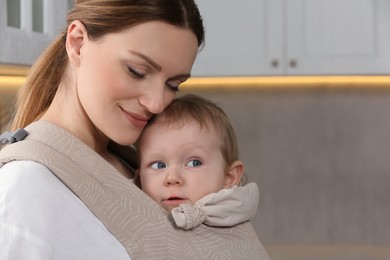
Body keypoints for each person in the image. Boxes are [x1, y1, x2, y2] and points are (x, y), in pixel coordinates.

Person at [0, 0, 269, 259]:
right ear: (78, 43)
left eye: (173, 85)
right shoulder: (27, 186)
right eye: (137, 71)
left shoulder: (132, 164)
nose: (156, 103)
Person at [136, 94, 260, 230]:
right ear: (139, 177)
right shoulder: (134, 219)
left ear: (229, 177)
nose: (172, 178)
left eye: (194, 163)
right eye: (159, 165)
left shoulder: (235, 222)